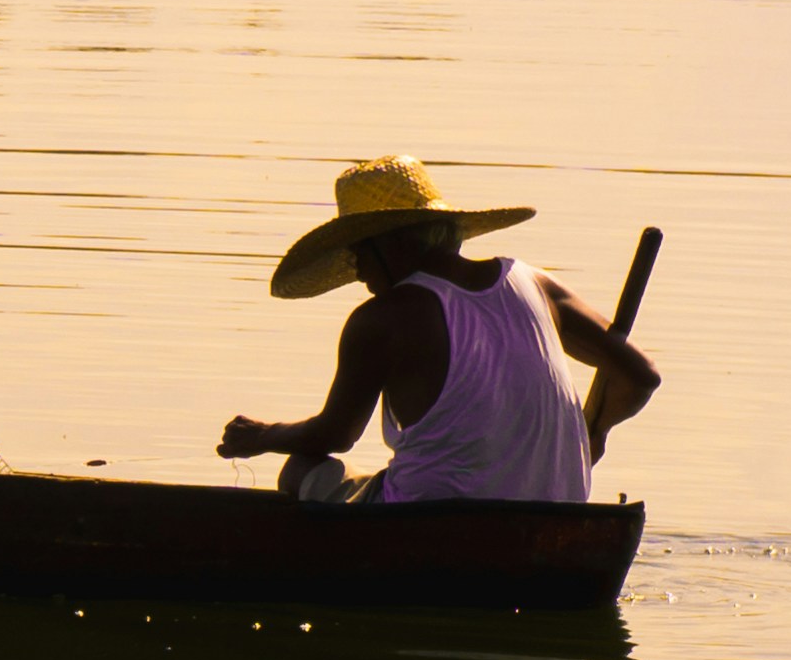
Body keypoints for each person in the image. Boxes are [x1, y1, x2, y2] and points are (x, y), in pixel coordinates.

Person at [213, 156, 656, 502]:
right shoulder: (536, 282)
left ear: (396, 242)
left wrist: (263, 437)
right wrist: (593, 433)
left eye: (359, 252)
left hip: (434, 521)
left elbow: (335, 435)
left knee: (300, 469)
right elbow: (640, 376)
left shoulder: (382, 319)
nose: (355, 268)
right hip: (559, 512)